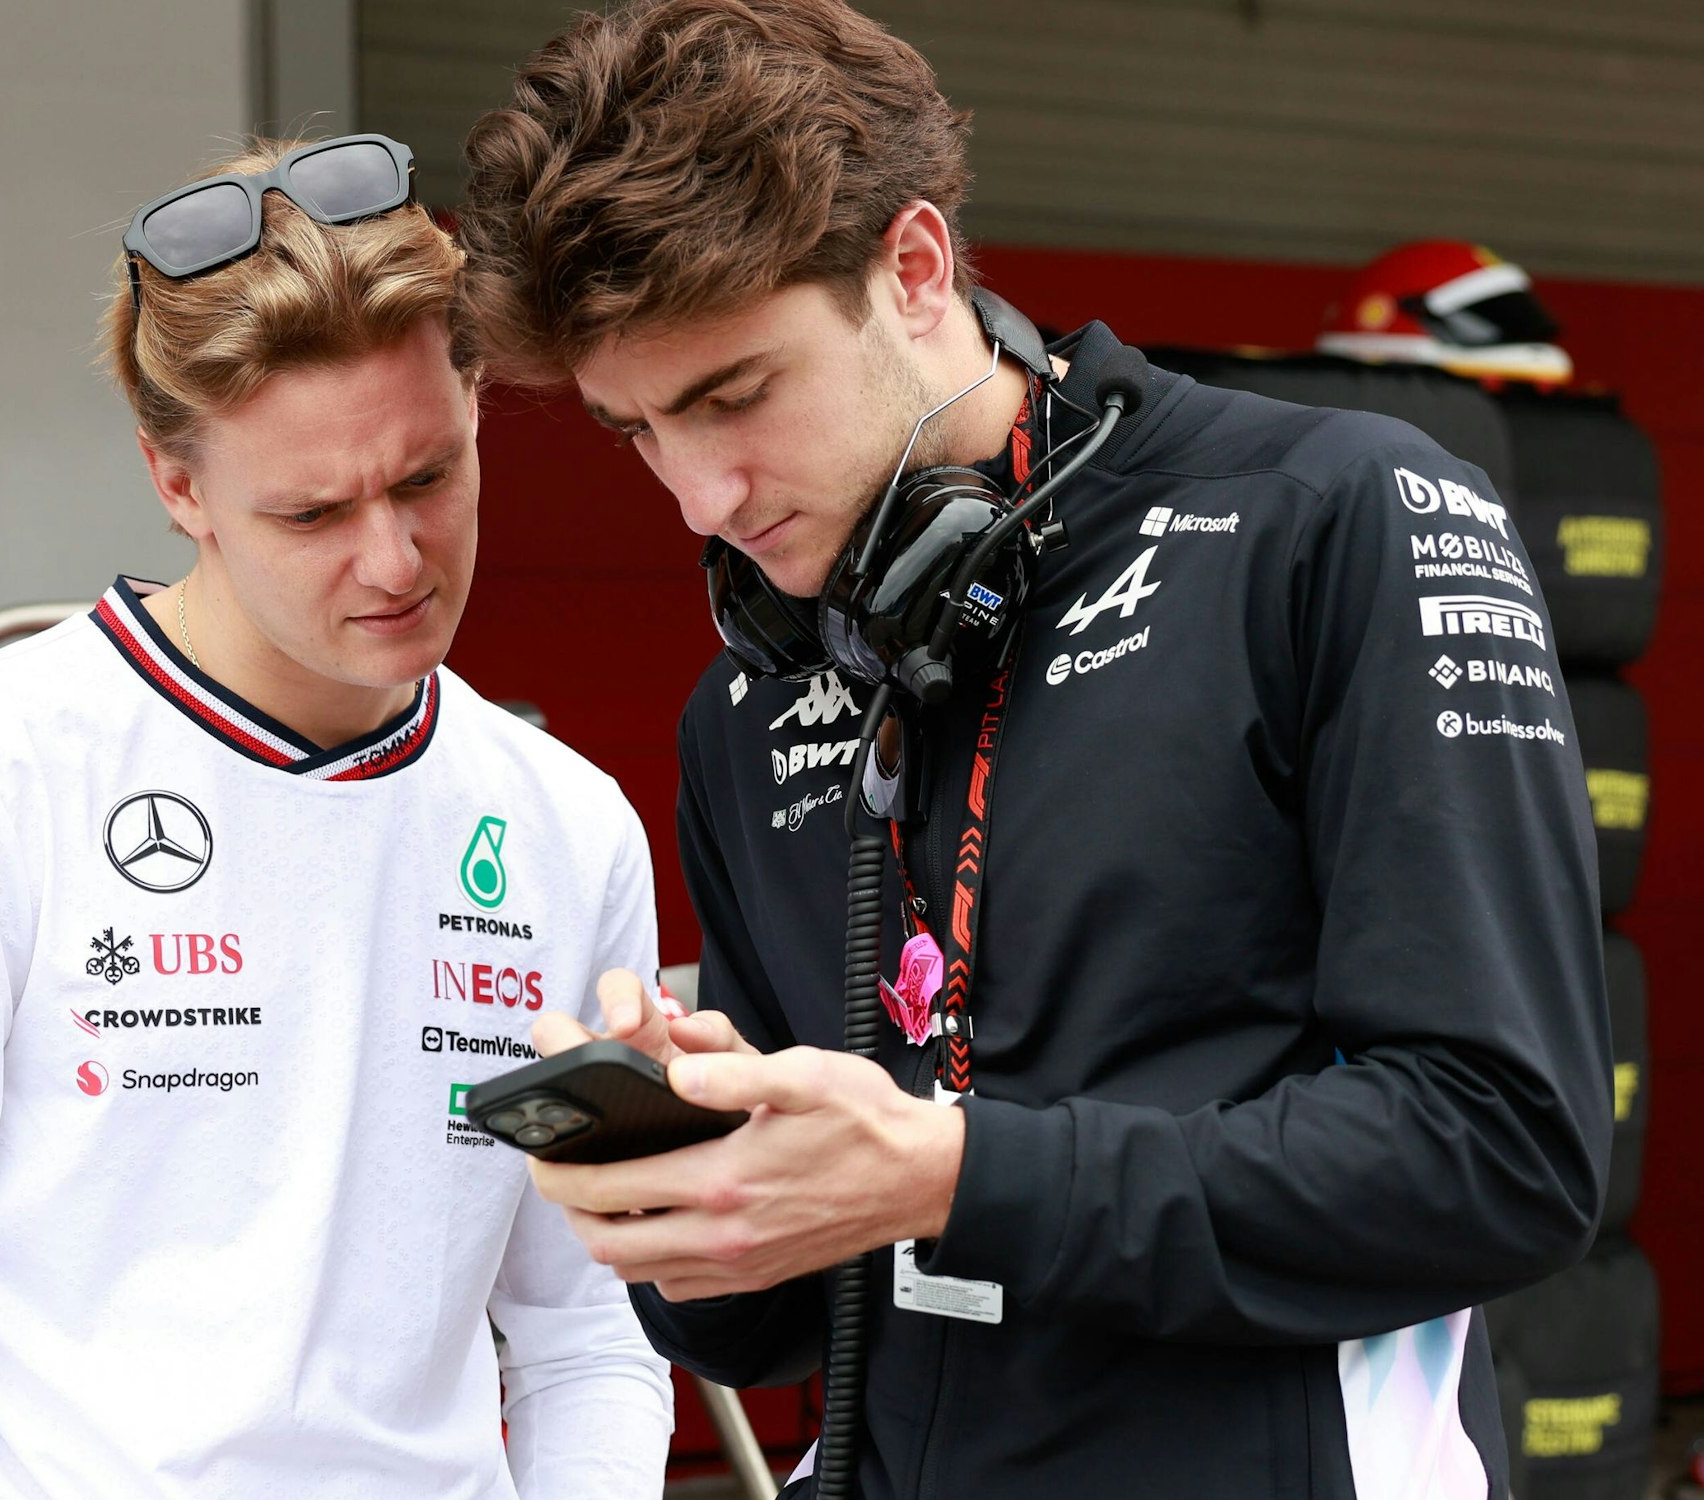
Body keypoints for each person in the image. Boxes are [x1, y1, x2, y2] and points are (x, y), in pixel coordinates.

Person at [454, 4, 1611, 1496]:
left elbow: (1504, 1157)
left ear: (916, 268)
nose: (701, 497)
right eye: (638, 433)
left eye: (735, 395)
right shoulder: (745, 707)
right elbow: (764, 1336)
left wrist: (949, 1173)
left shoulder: (1335, 520)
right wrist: (695, 1176)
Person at [0, 134, 672, 1498]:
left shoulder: (568, 827)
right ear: (178, 487)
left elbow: (588, 1328)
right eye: (311, 511)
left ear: (476, 402)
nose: (395, 561)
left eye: (427, 478)